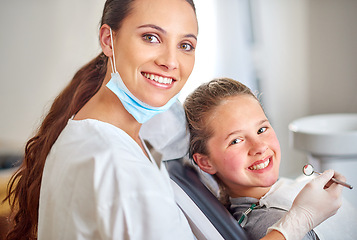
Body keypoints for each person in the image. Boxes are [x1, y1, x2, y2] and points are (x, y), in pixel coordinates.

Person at [3, 0, 341, 239]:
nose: (170, 61)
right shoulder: (118, 167)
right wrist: (297, 222)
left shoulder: (97, 130)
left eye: (185, 45)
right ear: (109, 39)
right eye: (151, 37)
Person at [183, 78, 345, 240]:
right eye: (236, 140)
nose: (259, 147)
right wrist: (302, 218)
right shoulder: (269, 222)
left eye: (261, 129)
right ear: (206, 162)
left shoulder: (279, 192)